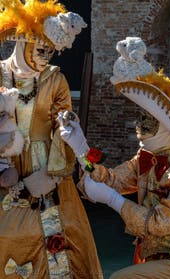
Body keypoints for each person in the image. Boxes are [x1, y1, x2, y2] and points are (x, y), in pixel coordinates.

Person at [59, 37, 170, 279]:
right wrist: (81, 150)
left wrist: (114, 201)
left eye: (150, 119)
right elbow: (112, 180)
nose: (140, 125)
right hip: (151, 255)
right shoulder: (148, 156)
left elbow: (160, 224)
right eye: (142, 116)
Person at [0, 1, 103, 278]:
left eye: (51, 51)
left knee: (60, 234)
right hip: (5, 160)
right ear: (24, 43)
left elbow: (63, 125)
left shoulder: (56, 80)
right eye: (41, 50)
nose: (47, 57)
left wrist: (66, 125)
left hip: (48, 165)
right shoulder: (0, 73)